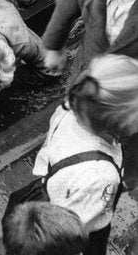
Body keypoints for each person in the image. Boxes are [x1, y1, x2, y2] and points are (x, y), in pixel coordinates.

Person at [30, 54, 138, 253]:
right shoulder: (101, 175)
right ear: (117, 119)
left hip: (57, 187)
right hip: (79, 221)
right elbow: (68, 235)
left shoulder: (69, 109)